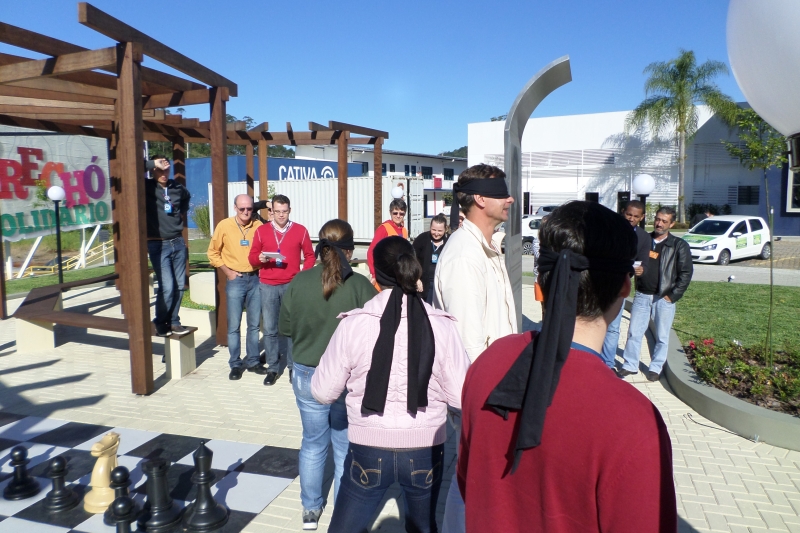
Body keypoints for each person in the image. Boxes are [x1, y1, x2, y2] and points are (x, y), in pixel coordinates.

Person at [457, 201, 677, 532]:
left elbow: (466, 483)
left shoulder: (488, 365)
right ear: (624, 287)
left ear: (540, 283)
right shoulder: (634, 422)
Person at [311, 237, 470, 533]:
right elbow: (463, 396)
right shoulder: (442, 325)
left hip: (368, 445)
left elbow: (322, 392)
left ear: (375, 274)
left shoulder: (354, 324)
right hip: (425, 446)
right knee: (422, 528)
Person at [278, 219, 377, 530]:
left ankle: (310, 510)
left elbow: (286, 330)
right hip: (346, 379)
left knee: (312, 442)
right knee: (344, 445)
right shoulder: (361, 286)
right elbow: (373, 337)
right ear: (349, 250)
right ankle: (341, 511)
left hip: (306, 373)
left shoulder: (298, 282)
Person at [435, 164, 517, 533]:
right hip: (484, 393)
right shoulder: (465, 257)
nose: (510, 198)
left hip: (496, 387)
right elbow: (468, 344)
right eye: (502, 193)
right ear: (480, 199)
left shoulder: (485, 248)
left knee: (472, 477)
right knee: (470, 480)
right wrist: (489, 404)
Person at [619, 205, 693, 381]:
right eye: (658, 219)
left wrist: (673, 296)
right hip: (643, 294)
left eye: (664, 221)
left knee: (661, 336)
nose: (659, 224)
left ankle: (655, 367)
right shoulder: (644, 239)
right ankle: (630, 365)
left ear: (672, 224)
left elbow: (686, 273)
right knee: (634, 332)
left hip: (664, 298)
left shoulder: (678, 245)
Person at [248, 194, 314, 385]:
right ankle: (273, 367)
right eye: (277, 211)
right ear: (271, 212)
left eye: (284, 211)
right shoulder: (262, 231)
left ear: (289, 211)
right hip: (268, 284)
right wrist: (259, 259)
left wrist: (302, 275)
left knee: (292, 328)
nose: (281, 215)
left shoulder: (300, 231)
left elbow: (309, 255)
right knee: (269, 329)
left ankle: (294, 367)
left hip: (291, 285)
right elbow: (252, 257)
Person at [207, 194, 266, 380]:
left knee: (254, 325)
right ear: (235, 208)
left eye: (249, 208)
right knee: (233, 325)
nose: (246, 212)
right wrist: (228, 272)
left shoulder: (259, 226)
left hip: (256, 278)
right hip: (236, 279)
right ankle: (235, 363)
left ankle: (253, 361)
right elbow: (213, 253)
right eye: (242, 209)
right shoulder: (224, 225)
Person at [600, 200, 652, 369]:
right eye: (629, 214)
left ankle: (607, 364)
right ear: (623, 212)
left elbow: (644, 261)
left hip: (621, 284)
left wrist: (642, 269)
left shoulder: (644, 237)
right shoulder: (609, 230)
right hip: (602, 281)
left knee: (613, 326)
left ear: (642, 217)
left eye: (636, 216)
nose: (631, 218)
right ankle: (593, 358)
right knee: (596, 321)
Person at [145, 155, 191, 337]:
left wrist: (179, 213)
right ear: (152, 170)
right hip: (158, 243)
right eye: (159, 169)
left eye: (166, 169)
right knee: (167, 286)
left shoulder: (177, 187)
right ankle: (160, 321)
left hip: (178, 242)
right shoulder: (146, 187)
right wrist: (151, 163)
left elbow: (186, 198)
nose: (163, 173)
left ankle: (173, 321)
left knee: (180, 285)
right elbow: (128, 172)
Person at [367, 198, 408, 279]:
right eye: (395, 213)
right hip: (384, 272)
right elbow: (371, 251)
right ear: (390, 212)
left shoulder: (404, 230)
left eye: (401, 213)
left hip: (399, 273)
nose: (398, 216)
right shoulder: (384, 228)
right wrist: (374, 274)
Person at [412, 213, 449, 304]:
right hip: (423, 283)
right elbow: (412, 259)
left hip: (441, 283)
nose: (436, 233)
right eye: (433, 230)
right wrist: (416, 279)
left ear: (445, 229)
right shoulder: (422, 239)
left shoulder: (449, 242)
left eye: (440, 231)